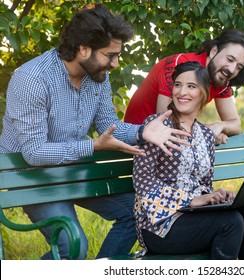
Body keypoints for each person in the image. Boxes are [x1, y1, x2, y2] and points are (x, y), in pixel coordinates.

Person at [0, 4, 190, 260]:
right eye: (110, 55)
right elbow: (34, 152)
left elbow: (108, 125)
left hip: (71, 169)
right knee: (73, 248)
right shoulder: (32, 79)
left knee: (139, 211)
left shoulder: (96, 74)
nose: (115, 63)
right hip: (31, 177)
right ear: (83, 48)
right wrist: (92, 147)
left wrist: (143, 131)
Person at [133, 61, 244, 260]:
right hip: (159, 224)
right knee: (231, 222)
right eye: (178, 85)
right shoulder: (156, 126)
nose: (181, 92)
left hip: (195, 216)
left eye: (191, 86)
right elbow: (142, 181)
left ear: (204, 94)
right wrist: (190, 200)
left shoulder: (205, 134)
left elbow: (203, 184)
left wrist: (216, 197)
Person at [124, 29, 244, 145]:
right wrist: (207, 134)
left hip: (174, 145)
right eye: (230, 59)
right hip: (139, 140)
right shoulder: (178, 67)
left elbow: (235, 124)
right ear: (213, 52)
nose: (231, 69)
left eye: (238, 67)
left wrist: (218, 126)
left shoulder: (221, 78)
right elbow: (167, 121)